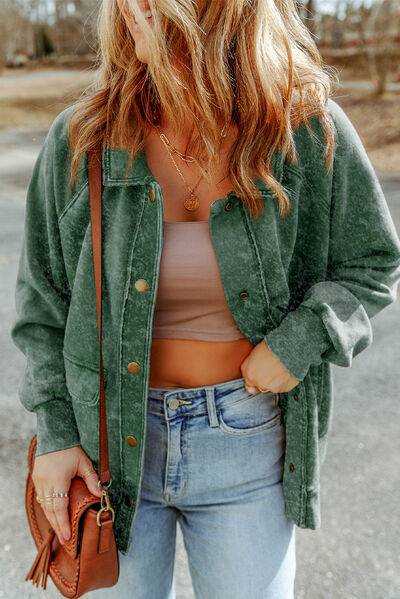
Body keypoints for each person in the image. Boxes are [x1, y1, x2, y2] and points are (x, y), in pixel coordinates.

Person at [11, 1, 400, 598]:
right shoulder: (85, 136)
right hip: (110, 451)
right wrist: (57, 433)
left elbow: (372, 261)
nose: (133, 7)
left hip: (247, 442)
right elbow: (43, 304)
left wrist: (297, 343)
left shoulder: (302, 127)